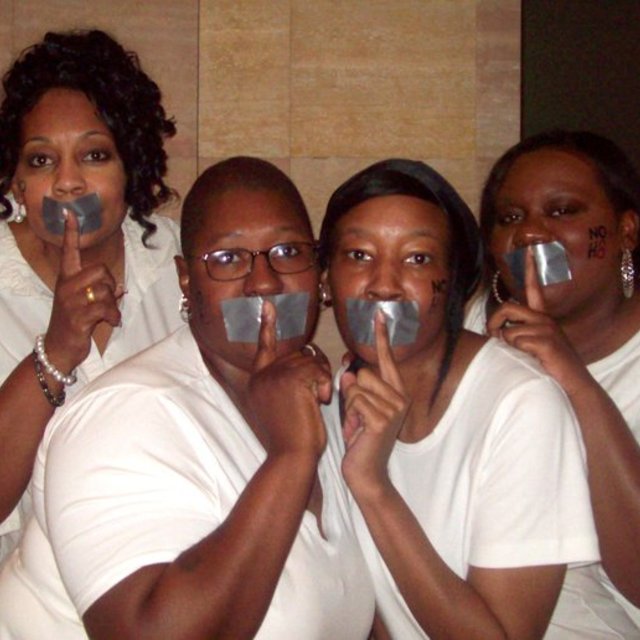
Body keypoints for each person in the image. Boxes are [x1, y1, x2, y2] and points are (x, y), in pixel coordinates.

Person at [0, 156, 375, 639]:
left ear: (318, 270)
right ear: (185, 280)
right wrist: (290, 456)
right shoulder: (123, 418)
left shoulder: (315, 399)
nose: (264, 282)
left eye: (287, 252)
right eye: (228, 259)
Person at [318, 158, 599, 639]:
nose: (384, 284)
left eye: (418, 259)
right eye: (360, 255)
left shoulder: (521, 404)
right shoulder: (335, 398)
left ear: (455, 284)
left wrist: (373, 486)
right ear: (325, 279)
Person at [0, 29, 182, 563]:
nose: (67, 183)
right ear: (14, 181)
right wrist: (56, 350)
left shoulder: (178, 262)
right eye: (41, 161)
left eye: (94, 155)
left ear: (133, 168)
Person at [466, 130, 640, 638]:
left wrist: (573, 380)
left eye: (563, 211)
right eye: (511, 218)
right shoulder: (471, 328)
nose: (531, 235)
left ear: (626, 231)